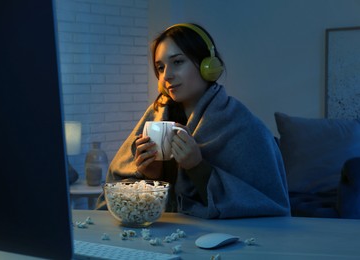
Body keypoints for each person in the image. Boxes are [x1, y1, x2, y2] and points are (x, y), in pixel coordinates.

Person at [98, 23, 290, 218]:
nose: (167, 75)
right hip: (162, 236)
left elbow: (269, 206)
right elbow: (116, 191)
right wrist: (150, 176)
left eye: (178, 62)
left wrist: (197, 168)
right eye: (161, 68)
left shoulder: (244, 126)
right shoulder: (155, 115)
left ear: (208, 66)